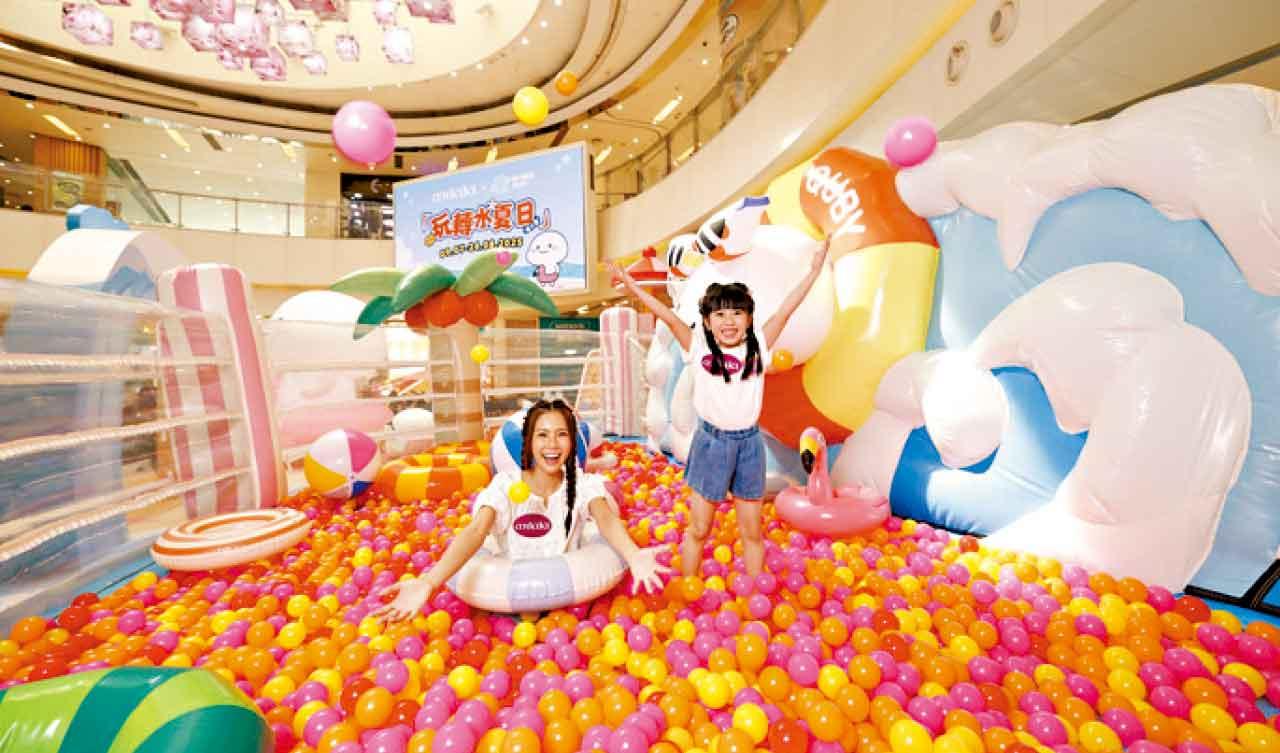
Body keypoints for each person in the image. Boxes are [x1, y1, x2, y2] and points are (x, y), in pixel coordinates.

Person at [609, 237, 829, 577]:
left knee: (752, 531)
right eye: (720, 314)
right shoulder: (698, 347)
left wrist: (813, 271)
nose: (729, 321)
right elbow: (667, 315)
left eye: (737, 313)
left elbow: (786, 309)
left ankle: (754, 591)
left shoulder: (758, 346)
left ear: (749, 319)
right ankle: (688, 587)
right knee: (699, 528)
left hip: (749, 445)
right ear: (708, 321)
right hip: (712, 443)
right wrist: (631, 286)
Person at [372, 399, 669, 622]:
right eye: (542, 435)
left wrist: (633, 555)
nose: (552, 445)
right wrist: (427, 583)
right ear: (527, 442)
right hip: (504, 608)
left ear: (572, 442)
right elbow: (476, 531)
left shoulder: (582, 484)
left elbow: (605, 519)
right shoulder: (505, 485)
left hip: (572, 609)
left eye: (561, 435)